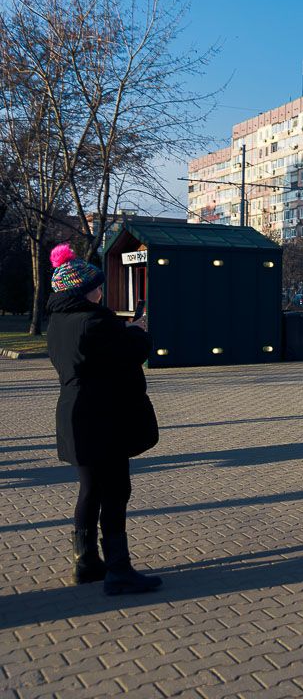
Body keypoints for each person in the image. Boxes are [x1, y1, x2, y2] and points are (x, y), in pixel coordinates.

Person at [46, 243, 163, 595]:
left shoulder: (59, 321)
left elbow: (95, 357)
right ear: (84, 290)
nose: (101, 289)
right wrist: (139, 331)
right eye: (96, 285)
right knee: (115, 491)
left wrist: (123, 332)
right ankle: (119, 570)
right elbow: (128, 356)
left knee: (90, 490)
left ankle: (86, 562)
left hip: (74, 415)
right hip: (103, 418)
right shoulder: (97, 320)